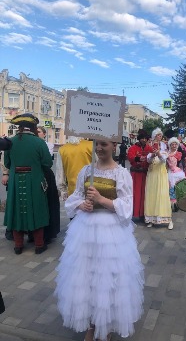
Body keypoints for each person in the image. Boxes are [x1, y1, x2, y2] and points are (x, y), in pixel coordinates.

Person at [55, 139, 144, 341]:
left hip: (111, 233)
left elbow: (127, 206)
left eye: (104, 144)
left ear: (114, 146)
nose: (100, 148)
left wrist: (102, 200)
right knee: (87, 279)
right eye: (97, 145)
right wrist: (81, 205)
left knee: (108, 280)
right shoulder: (86, 171)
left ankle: (107, 324)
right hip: (85, 232)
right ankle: (92, 324)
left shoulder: (121, 173)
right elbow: (75, 196)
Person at [4, 113, 52, 255]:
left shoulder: (10, 142)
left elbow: (7, 163)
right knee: (37, 209)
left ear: (19, 127)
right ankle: (39, 245)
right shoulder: (39, 142)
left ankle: (18, 246)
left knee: (16, 210)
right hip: (35, 181)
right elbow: (47, 163)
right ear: (33, 127)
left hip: (15, 182)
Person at [144, 128, 173, 230]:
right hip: (152, 173)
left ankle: (168, 220)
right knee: (151, 195)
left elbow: (164, 160)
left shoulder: (164, 147)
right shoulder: (150, 146)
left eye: (160, 135)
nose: (159, 137)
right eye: (157, 135)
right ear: (154, 136)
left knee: (163, 195)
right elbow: (148, 160)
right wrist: (152, 154)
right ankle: (151, 219)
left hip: (161, 173)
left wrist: (159, 154)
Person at [37, 126, 60, 244]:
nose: (37, 133)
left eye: (39, 132)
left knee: (49, 201)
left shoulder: (48, 145)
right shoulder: (34, 143)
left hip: (46, 174)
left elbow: (47, 161)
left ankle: (48, 232)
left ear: (44, 134)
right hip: (36, 174)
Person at [127, 129, 152, 222]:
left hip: (145, 174)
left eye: (146, 138)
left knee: (144, 194)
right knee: (135, 193)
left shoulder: (149, 148)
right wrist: (137, 158)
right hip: (136, 174)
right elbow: (130, 156)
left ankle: (142, 214)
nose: (144, 140)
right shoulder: (133, 148)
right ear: (139, 139)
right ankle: (134, 213)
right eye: (142, 138)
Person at [167, 137, 185, 212]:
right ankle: (170, 204)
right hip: (168, 172)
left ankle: (175, 204)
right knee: (169, 188)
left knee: (175, 188)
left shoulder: (178, 154)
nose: (174, 146)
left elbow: (179, 163)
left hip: (176, 172)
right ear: (170, 145)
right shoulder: (167, 153)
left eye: (175, 144)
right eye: (172, 144)